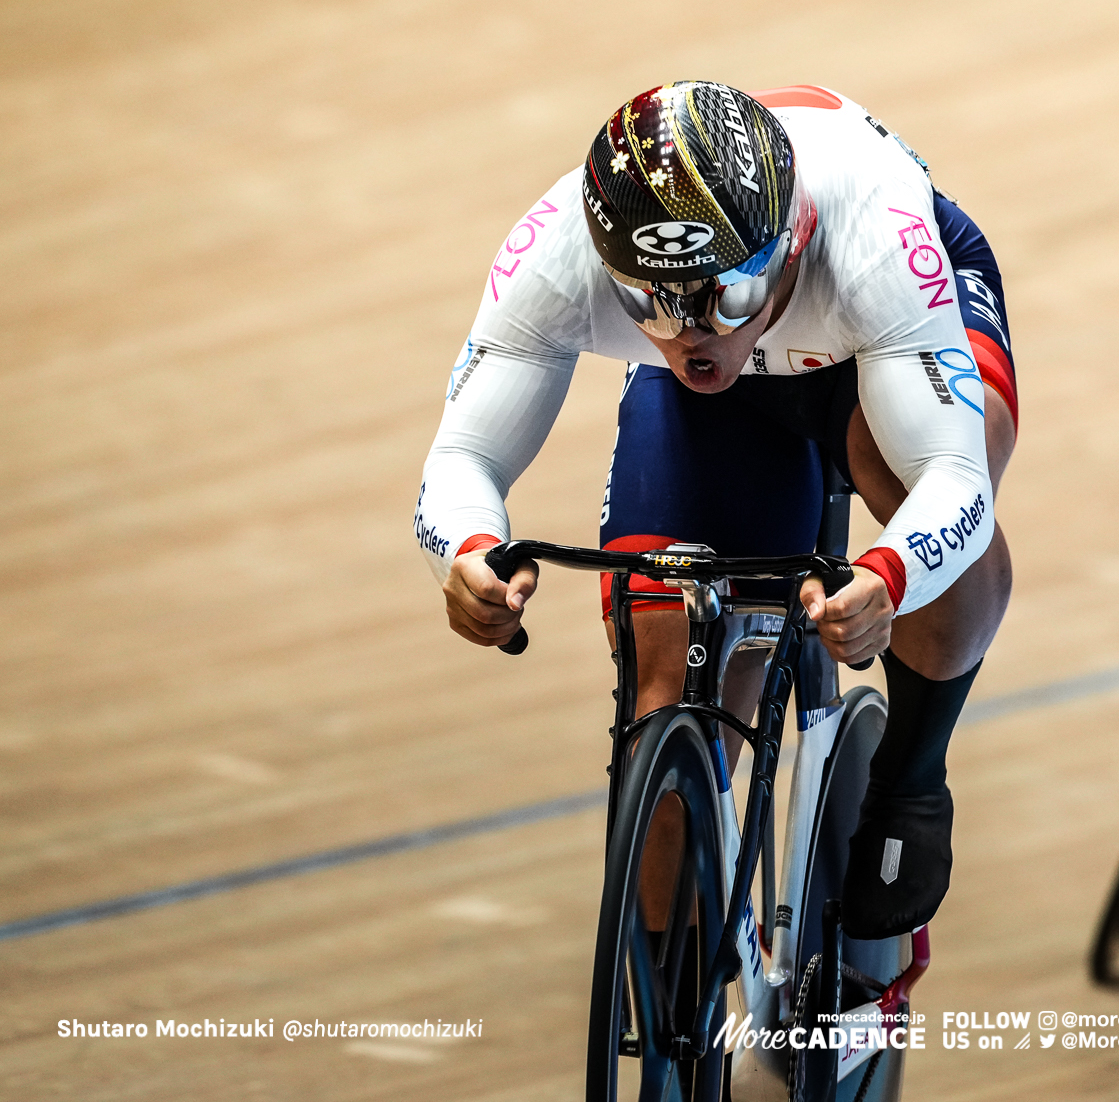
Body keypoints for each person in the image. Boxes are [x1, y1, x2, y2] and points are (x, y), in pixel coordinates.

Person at [413, 80, 1017, 941]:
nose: (688, 331)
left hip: (878, 331)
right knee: (661, 643)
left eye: (720, 298)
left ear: (789, 240)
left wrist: (887, 574)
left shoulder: (872, 232)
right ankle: (677, 986)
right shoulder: (560, 249)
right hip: (725, 395)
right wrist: (468, 552)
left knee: (935, 494)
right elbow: (462, 456)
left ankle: (912, 775)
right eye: (649, 302)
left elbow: (952, 483)